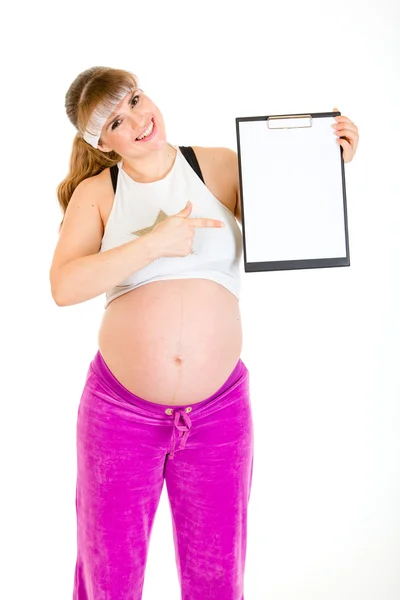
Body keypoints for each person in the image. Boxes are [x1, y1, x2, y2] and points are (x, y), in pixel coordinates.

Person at [50, 66, 360, 600]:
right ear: (102, 143)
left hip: (219, 414)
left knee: (217, 579)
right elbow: (63, 285)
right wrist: (152, 243)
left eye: (136, 100)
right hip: (120, 418)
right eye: (118, 122)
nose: (138, 121)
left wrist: (328, 160)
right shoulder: (99, 193)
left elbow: (289, 220)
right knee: (110, 579)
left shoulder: (213, 165)